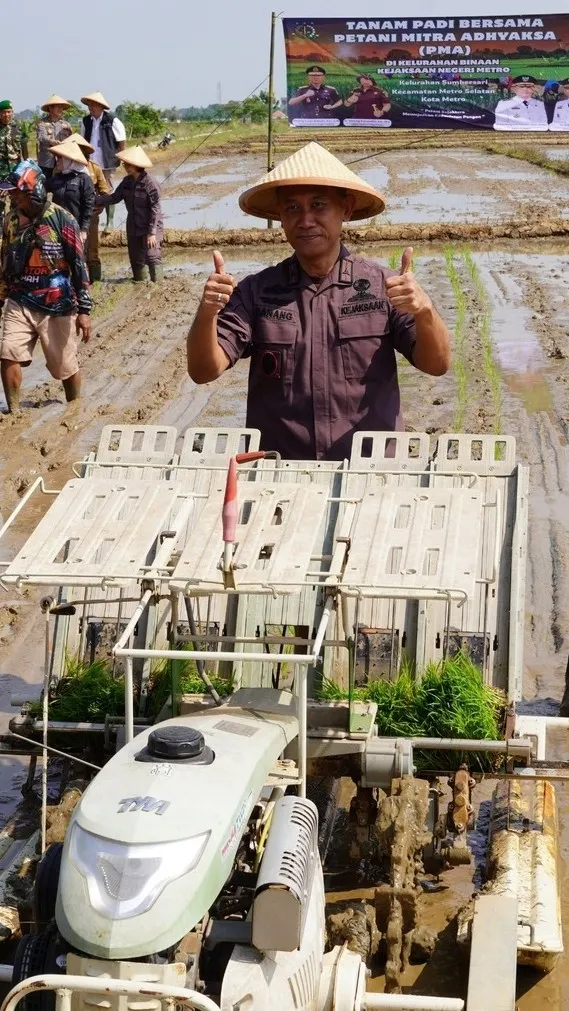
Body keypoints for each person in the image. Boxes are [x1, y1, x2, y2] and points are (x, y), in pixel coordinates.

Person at [187, 142, 451, 461]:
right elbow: (204, 370)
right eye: (293, 208)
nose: (306, 220)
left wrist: (423, 311)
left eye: (319, 205)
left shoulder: (383, 286)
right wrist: (207, 312)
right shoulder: (256, 291)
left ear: (347, 209)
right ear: (280, 217)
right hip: (281, 473)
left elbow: (437, 364)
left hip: (369, 472)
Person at [0, 160, 92, 413]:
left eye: (16, 191)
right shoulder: (10, 221)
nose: (11, 196)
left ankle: (75, 407)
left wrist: (84, 310)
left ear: (32, 190)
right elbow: (5, 262)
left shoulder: (62, 219)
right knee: (8, 353)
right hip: (20, 299)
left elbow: (79, 265)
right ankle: (14, 412)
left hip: (57, 303)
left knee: (65, 367)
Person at [96, 146, 163, 283]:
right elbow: (114, 198)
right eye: (124, 163)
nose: (125, 166)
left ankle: (158, 288)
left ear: (137, 165)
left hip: (150, 225)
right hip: (133, 224)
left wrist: (152, 233)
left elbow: (155, 209)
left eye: (128, 164)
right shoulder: (127, 181)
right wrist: (94, 199)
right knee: (136, 257)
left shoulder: (150, 183)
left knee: (152, 256)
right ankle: (140, 283)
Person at [66, 133, 112, 282]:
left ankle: (95, 280)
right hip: (70, 214)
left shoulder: (94, 168)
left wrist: (102, 203)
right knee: (71, 250)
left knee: (92, 248)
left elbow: (104, 189)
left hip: (90, 214)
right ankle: (78, 281)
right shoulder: (63, 169)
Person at [80, 92, 126, 229]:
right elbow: (83, 141)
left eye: (93, 104)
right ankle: (91, 220)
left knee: (107, 191)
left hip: (107, 162)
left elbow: (121, 141)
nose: (90, 107)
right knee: (89, 191)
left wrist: (120, 158)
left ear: (101, 106)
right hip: (90, 162)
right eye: (89, 104)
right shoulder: (86, 121)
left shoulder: (112, 120)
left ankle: (110, 222)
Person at [47, 140, 95, 245]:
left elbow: (89, 205)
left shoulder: (84, 179)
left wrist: (84, 230)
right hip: (57, 226)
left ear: (70, 160)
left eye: (60, 158)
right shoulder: (57, 178)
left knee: (76, 260)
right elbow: (41, 188)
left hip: (76, 227)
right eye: (57, 158)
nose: (57, 161)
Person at [0, 101, 28, 229]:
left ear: (12, 112)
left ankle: (15, 233)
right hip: (0, 174)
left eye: (9, 112)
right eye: (4, 112)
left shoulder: (19, 128)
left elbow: (25, 152)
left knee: (17, 205)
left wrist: (27, 170)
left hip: (16, 174)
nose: (6, 115)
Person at [35, 95, 73, 179]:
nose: (60, 109)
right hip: (46, 161)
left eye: (61, 107)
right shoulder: (41, 123)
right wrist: (52, 142)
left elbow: (71, 141)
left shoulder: (66, 125)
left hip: (63, 161)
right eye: (57, 107)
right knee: (45, 186)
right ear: (50, 108)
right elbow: (42, 137)